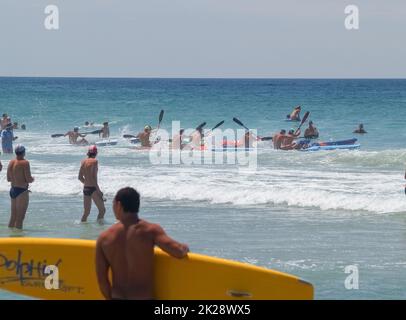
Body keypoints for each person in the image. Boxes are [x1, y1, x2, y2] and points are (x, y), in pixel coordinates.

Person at [96, 187, 189, 300]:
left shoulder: (104, 238)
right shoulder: (150, 230)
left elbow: (102, 281)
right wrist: (184, 247)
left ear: (119, 205)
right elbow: (178, 251)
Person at [7, 145, 34, 230]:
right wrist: (33, 179)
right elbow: (28, 179)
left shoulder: (11, 162)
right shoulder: (25, 163)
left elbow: (8, 178)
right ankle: (18, 240)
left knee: (13, 217)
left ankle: (9, 239)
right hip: (21, 191)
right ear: (23, 152)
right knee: (20, 218)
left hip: (13, 190)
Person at [78, 145, 106, 223]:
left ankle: (82, 227)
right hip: (93, 189)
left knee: (86, 213)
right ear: (96, 153)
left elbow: (80, 177)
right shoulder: (95, 161)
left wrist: (87, 183)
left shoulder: (83, 162)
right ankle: (99, 228)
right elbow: (93, 179)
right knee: (102, 210)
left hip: (86, 189)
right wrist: (99, 191)